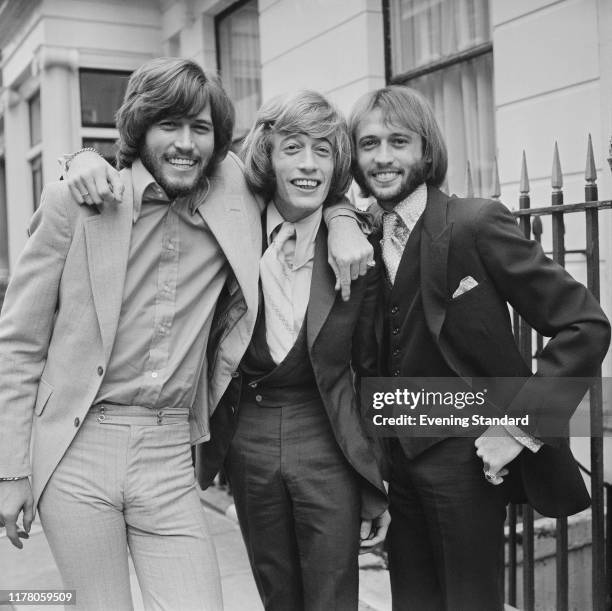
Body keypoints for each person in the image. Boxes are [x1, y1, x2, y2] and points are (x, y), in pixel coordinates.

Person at [0, 57, 369, 611]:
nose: (185, 143)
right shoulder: (78, 202)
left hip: (169, 449)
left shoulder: (234, 191)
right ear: (139, 128)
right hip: (75, 448)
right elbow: (20, 344)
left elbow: (307, 177)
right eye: (169, 125)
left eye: (200, 129)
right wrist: (10, 472)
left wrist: (342, 219)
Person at [348, 85, 610, 611]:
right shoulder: (360, 237)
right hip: (394, 460)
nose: (382, 157)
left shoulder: (475, 222)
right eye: (369, 143)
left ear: (426, 150)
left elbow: (585, 324)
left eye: (398, 141)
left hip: (468, 458)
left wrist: (518, 428)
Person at [198, 90, 388, 611]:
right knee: (275, 591)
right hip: (248, 436)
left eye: (323, 151)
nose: (308, 166)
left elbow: (370, 369)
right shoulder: (229, 225)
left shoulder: (357, 244)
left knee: (332, 595)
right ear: (268, 157)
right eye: (293, 148)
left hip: (325, 432)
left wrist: (374, 481)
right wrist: (77, 159)